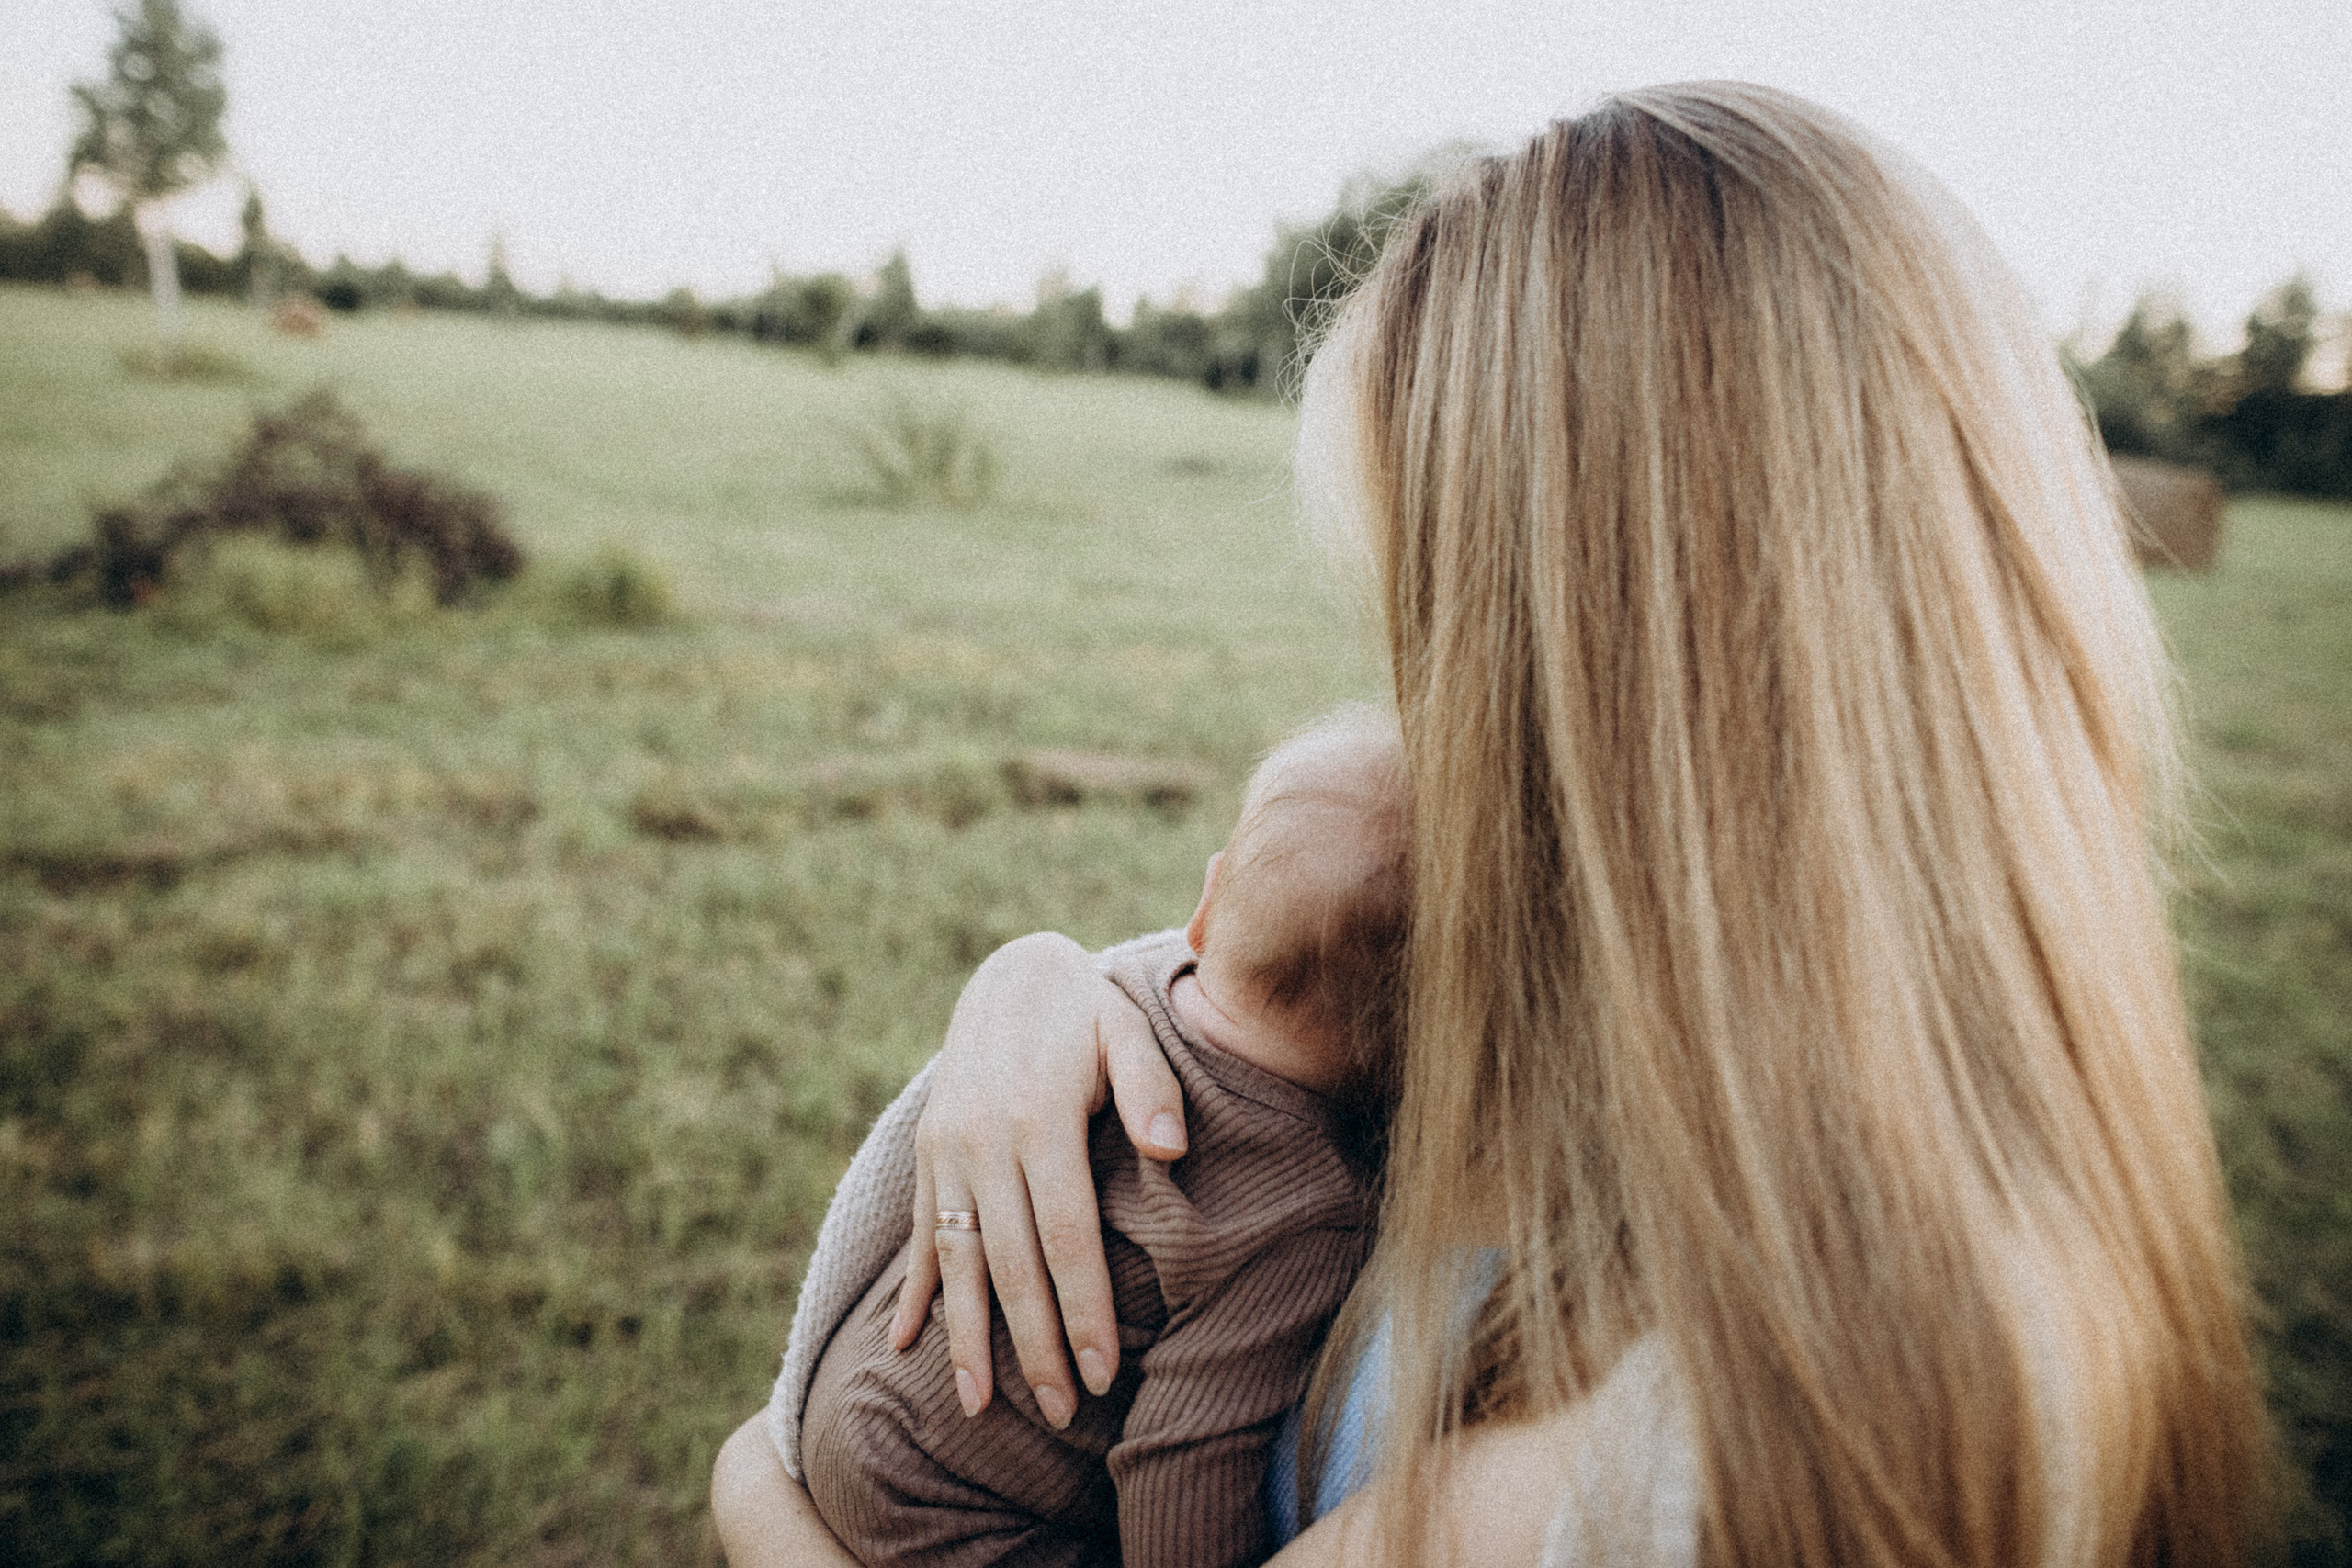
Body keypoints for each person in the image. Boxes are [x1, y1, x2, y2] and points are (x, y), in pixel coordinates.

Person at [716, 80, 2269, 1568]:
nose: (1421, 722)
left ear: (1602, 691)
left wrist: (753, 1500)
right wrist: (1047, 987)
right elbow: (1276, 1010)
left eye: (1437, 632)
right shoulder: (1835, 1121)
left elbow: (791, 1458)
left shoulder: (1710, 1455)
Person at [779, 713, 1408, 1567]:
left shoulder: (1113, 1001)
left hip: (855, 1407)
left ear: (1206, 905)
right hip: (960, 1511)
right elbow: (1186, 1462)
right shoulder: (1303, 1211)